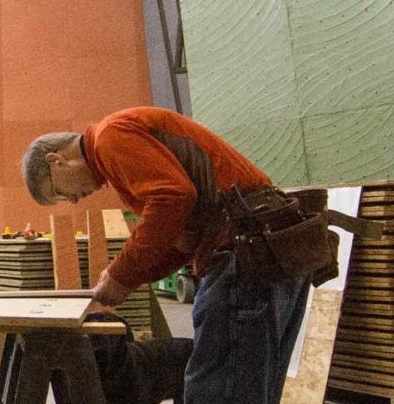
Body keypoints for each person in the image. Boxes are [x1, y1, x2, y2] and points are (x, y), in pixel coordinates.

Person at [21, 107, 312, 404]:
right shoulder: (119, 149)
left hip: (246, 251)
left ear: (55, 160)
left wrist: (121, 274)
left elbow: (173, 198)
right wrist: (124, 281)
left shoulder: (110, 138)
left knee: (217, 391)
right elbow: (178, 241)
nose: (71, 200)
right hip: (272, 246)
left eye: (59, 192)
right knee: (249, 388)